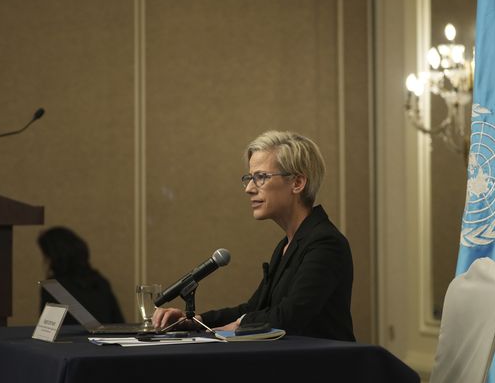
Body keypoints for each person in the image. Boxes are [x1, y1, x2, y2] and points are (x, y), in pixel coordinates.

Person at [152, 130, 355, 341]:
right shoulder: (286, 245)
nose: (249, 189)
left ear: (297, 183)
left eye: (260, 177)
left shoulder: (325, 243)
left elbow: (291, 315)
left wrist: (240, 324)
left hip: (324, 368)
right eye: (249, 178)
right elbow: (255, 308)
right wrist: (195, 321)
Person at [38, 226, 125, 325]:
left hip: (74, 340)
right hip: (106, 340)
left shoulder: (54, 288)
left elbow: (47, 332)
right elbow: (119, 323)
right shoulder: (100, 282)